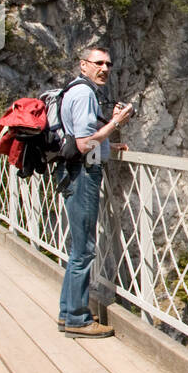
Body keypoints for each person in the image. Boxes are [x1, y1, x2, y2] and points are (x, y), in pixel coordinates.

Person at [57, 44, 133, 338]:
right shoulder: (84, 93)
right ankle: (77, 319)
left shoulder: (76, 91)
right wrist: (116, 123)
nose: (104, 68)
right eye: (98, 63)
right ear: (83, 65)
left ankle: (68, 313)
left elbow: (83, 136)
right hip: (82, 174)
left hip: (75, 172)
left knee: (78, 249)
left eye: (108, 64)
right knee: (84, 250)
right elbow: (83, 144)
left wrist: (108, 145)